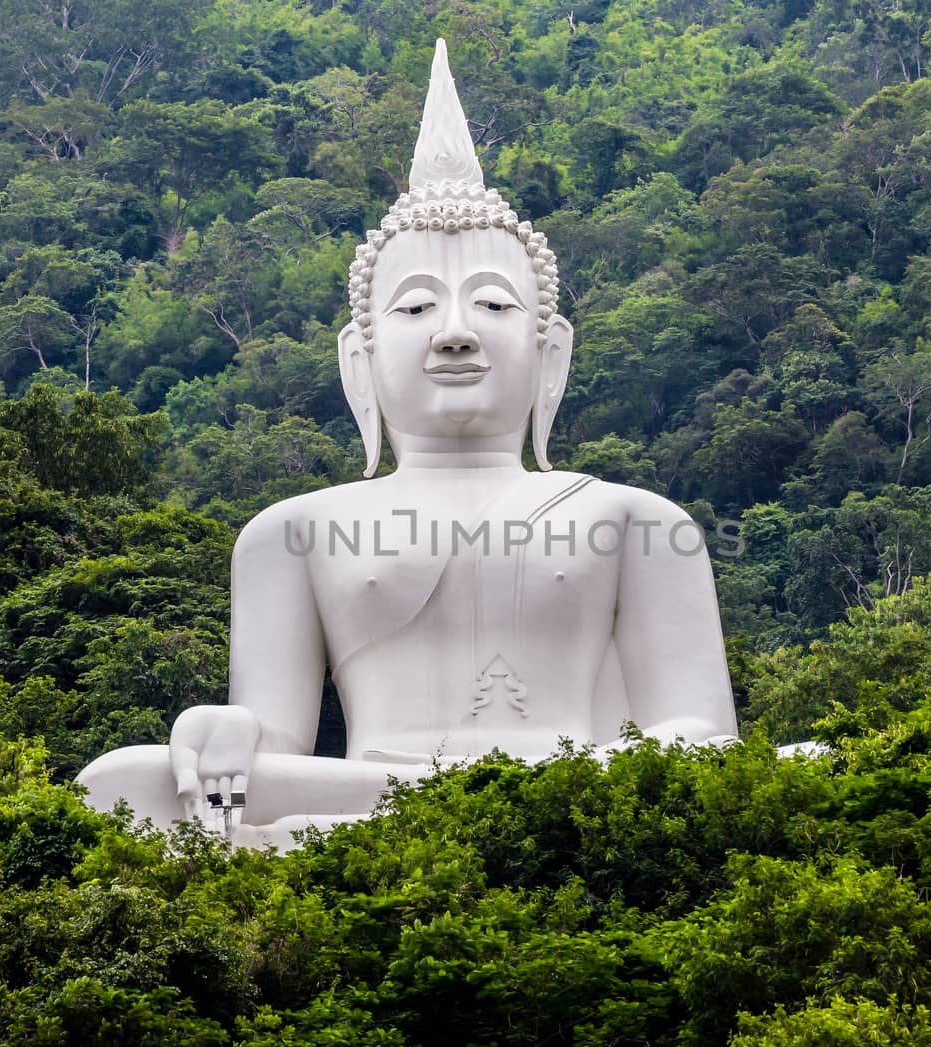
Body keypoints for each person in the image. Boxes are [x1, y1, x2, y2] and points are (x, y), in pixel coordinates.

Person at [77, 40, 737, 848]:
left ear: (550, 350)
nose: (456, 334)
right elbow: (277, 744)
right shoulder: (290, 534)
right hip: (380, 793)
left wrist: (568, 782)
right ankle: (473, 813)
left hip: (574, 787)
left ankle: (497, 810)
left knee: (804, 764)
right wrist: (227, 735)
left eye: (493, 306)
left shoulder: (639, 520)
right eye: (417, 308)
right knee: (121, 785)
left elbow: (703, 738)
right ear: (360, 358)